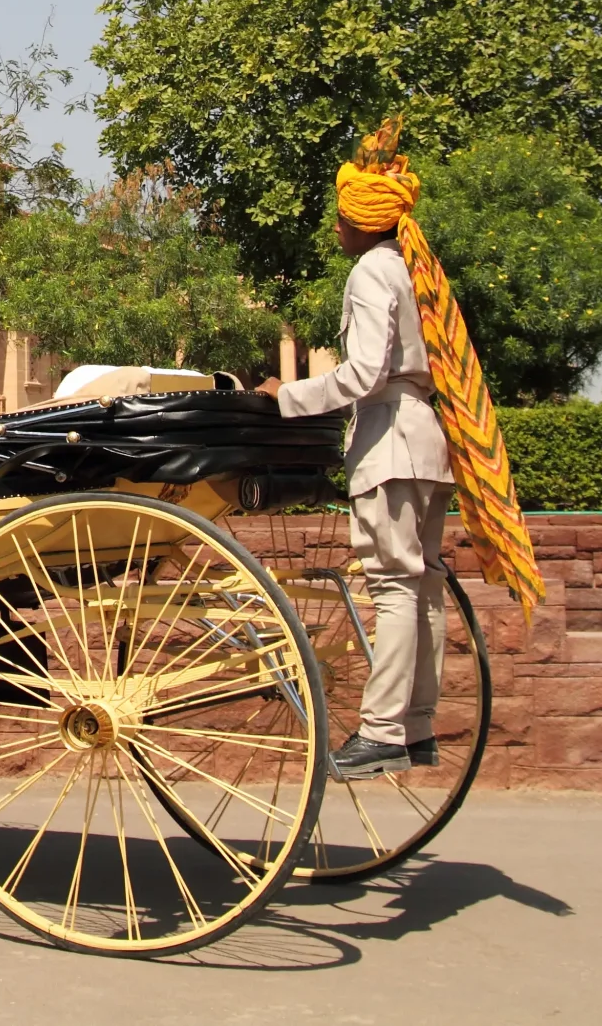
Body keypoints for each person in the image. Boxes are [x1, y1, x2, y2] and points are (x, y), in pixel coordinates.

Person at [258, 151, 454, 780]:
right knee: (421, 586)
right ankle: (417, 722)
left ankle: (383, 729)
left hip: (391, 440)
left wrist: (286, 398)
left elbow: (366, 372)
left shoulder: (372, 270)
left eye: (340, 216)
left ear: (362, 221)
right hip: (425, 440)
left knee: (395, 586)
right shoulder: (410, 269)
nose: (335, 227)